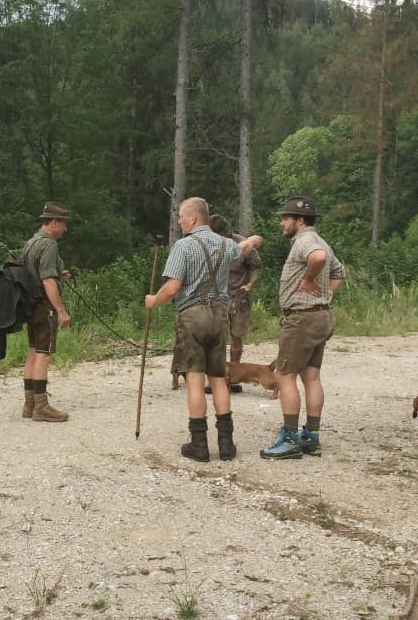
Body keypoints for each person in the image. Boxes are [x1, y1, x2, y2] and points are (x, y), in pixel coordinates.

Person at [145, 197, 263, 462]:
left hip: (193, 316)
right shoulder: (225, 243)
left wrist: (153, 301)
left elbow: (173, 287)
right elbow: (242, 250)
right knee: (219, 379)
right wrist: (253, 240)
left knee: (195, 381)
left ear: (194, 218)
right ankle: (226, 444)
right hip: (220, 316)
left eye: (181, 217)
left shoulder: (183, 246)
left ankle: (199, 445)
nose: (179, 221)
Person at [260, 196, 345, 460]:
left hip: (302, 319)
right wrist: (325, 297)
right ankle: (312, 436)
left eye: (286, 218)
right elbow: (339, 272)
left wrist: (308, 281)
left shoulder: (307, 241)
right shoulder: (322, 241)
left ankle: (289, 438)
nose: (282, 223)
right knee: (311, 377)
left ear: (299, 221)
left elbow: (318, 259)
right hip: (320, 316)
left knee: (285, 376)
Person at [19, 202, 73, 422]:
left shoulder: (31, 242)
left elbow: (39, 271)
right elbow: (47, 279)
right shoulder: (49, 245)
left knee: (33, 351)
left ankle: (29, 404)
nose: (65, 229)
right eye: (63, 224)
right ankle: (41, 407)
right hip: (45, 306)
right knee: (43, 354)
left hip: (30, 305)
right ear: (54, 222)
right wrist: (61, 311)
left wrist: (60, 273)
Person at [210, 213, 262, 389]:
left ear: (226, 232)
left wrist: (250, 285)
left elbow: (256, 267)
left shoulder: (244, 245)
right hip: (218, 298)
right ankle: (217, 377)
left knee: (236, 337)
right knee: (216, 338)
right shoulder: (211, 246)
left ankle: (233, 376)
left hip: (239, 297)